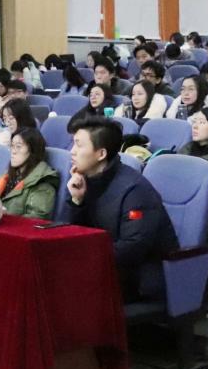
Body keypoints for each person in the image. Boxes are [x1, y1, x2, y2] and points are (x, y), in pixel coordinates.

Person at [66, 118, 179, 300]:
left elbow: (132, 248)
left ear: (101, 154)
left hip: (139, 281)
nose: (72, 151)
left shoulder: (134, 190)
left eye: (79, 145)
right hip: (107, 270)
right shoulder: (87, 181)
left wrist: (83, 260)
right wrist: (77, 201)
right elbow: (79, 233)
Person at [0, 127, 58, 219]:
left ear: (33, 150)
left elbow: (36, 219)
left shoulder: (42, 182)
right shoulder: (10, 175)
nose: (13, 151)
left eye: (18, 146)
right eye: (12, 146)